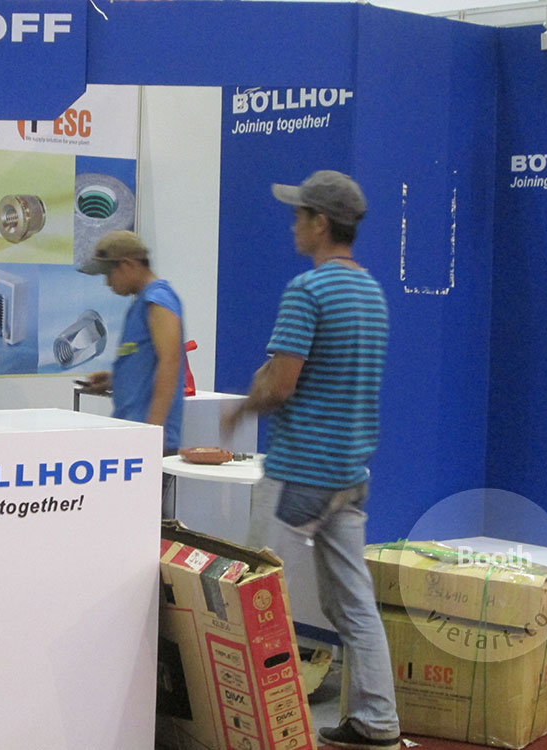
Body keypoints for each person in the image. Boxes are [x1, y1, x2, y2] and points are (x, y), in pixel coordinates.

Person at [222, 170, 400, 750]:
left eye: (299, 215)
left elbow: (281, 385)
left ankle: (247, 720)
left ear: (321, 223)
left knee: (249, 594)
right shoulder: (371, 293)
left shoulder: (308, 290)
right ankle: (376, 720)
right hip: (350, 474)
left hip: (300, 472)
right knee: (352, 603)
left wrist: (241, 406)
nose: (293, 224)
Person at [83, 230, 185, 518]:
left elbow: (170, 362)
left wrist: (153, 433)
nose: (107, 283)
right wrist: (114, 379)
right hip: (133, 434)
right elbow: (148, 362)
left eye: (109, 274)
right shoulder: (140, 303)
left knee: (142, 524)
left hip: (147, 438)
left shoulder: (158, 299)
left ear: (127, 265)